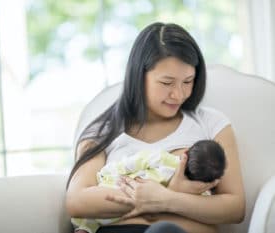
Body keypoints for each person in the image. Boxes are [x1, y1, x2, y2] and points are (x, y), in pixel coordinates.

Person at [66, 22, 245, 233]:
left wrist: (167, 199)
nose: (178, 94)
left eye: (188, 81)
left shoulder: (211, 123)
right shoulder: (103, 131)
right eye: (167, 83)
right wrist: (161, 193)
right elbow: (77, 200)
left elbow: (235, 208)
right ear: (138, 77)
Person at [71, 140, 226, 233]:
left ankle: (85, 228)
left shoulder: (162, 159)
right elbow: (78, 202)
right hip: (115, 216)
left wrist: (169, 196)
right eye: (166, 82)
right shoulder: (202, 193)